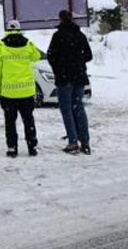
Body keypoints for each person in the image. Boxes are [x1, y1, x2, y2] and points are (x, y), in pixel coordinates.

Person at [0, 20, 41, 158]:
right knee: (28, 120)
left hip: (9, 93)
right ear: (19, 30)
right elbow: (37, 56)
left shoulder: (1, 47)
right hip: (26, 92)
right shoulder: (27, 45)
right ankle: (32, 147)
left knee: (10, 122)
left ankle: (12, 148)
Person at [47, 10, 93, 155]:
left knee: (66, 110)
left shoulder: (58, 36)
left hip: (64, 78)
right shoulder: (80, 35)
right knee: (78, 108)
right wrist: (78, 62)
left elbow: (50, 55)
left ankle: (73, 141)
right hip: (79, 77)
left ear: (60, 19)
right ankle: (84, 141)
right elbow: (89, 55)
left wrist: (59, 67)